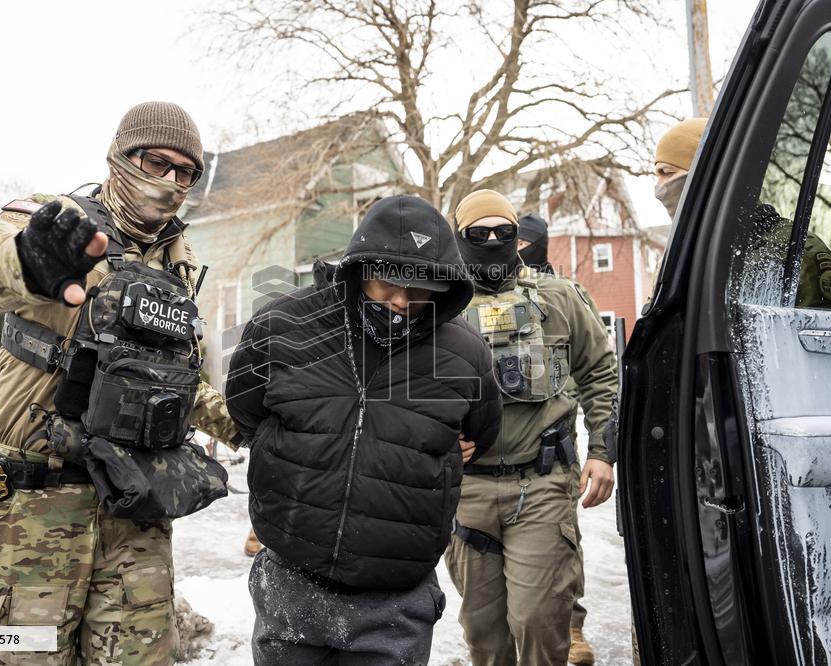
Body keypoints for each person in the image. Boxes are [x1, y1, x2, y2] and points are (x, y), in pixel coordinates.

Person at [0, 101, 237, 664]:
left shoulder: (179, 261)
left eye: (186, 173)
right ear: (121, 157)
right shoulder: (55, 221)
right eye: (157, 162)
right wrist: (26, 262)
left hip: (136, 510)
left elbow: (172, 380)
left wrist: (246, 421)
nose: (171, 182)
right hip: (35, 512)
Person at [225, 194, 503, 665]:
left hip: (394, 600)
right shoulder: (282, 325)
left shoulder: (466, 352)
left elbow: (483, 431)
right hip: (292, 583)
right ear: (359, 268)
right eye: (387, 283)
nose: (401, 301)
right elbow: (245, 413)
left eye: (420, 291)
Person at [446, 189, 619, 665]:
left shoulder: (558, 297)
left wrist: (603, 451)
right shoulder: (436, 306)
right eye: (477, 234)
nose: (492, 240)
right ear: (458, 237)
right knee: (484, 635)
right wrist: (436, 439)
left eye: (504, 233)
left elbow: (602, 372)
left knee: (540, 622)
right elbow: (400, 389)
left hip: (541, 484)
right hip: (467, 493)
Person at [654, 117, 831, 311]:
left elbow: (823, 339)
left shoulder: (795, 249)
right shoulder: (681, 259)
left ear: (707, 174)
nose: (659, 187)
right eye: (657, 175)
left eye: (667, 173)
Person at [517, 210, 599, 664]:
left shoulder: (567, 294)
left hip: (556, 439)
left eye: (523, 243)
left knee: (563, 538)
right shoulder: (490, 292)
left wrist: (601, 444)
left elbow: (596, 366)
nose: (515, 251)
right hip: (501, 442)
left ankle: (572, 624)